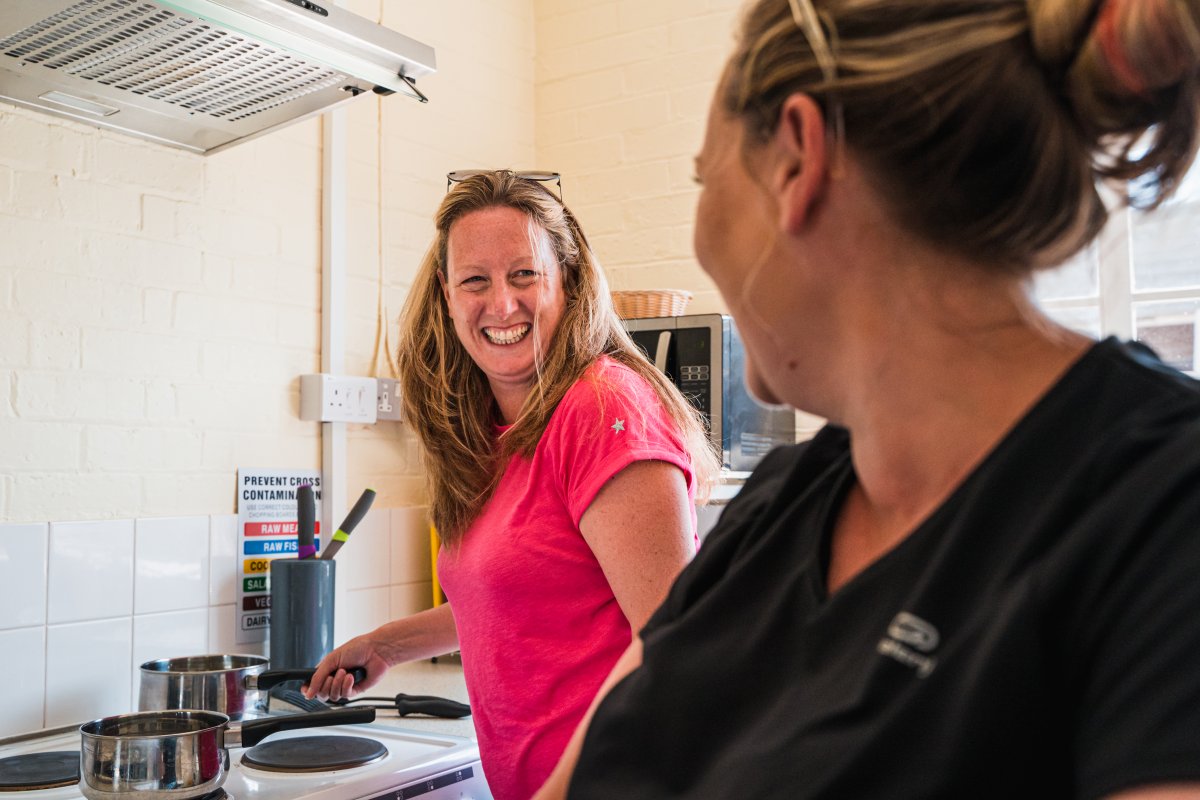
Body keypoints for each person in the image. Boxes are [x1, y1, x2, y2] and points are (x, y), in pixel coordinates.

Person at [534, 0, 1200, 797]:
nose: (703, 229)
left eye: (706, 177)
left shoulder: (1165, 508)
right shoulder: (777, 511)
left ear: (796, 163)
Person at [303, 169, 718, 799]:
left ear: (568, 281)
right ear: (446, 295)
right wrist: (388, 645)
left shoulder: (600, 409)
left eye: (524, 274)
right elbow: (528, 596)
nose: (501, 304)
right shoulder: (493, 430)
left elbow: (678, 649)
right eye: (475, 280)